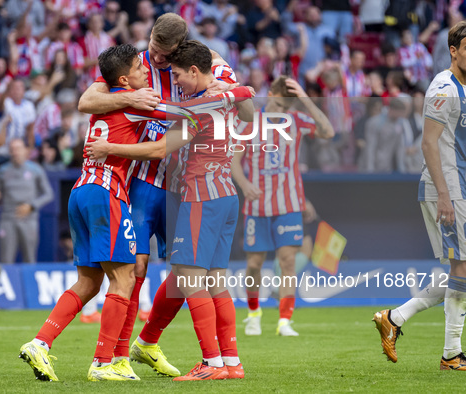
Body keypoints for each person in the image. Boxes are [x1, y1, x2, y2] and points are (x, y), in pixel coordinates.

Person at [18, 42, 248, 382]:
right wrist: (234, 91)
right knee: (128, 277)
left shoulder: (107, 97)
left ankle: (40, 343)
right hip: (109, 192)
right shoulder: (139, 102)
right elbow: (181, 119)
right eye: (141, 69)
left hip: (81, 190)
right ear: (126, 80)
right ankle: (105, 362)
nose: (148, 73)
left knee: (89, 282)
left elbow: (90, 100)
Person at [78, 13, 241, 377]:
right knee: (138, 266)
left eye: (165, 56)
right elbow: (87, 100)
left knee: (189, 272)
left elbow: (242, 98)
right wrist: (131, 97)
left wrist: (232, 91)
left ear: (181, 52)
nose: (157, 59)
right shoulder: (134, 67)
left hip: (185, 187)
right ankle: (118, 357)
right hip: (144, 185)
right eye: (153, 49)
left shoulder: (208, 64)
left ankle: (150, 342)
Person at [373, 20, 466, 371]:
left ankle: (395, 317)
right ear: (453, 51)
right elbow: (428, 142)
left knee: (462, 271)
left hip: (462, 186)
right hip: (448, 187)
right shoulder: (443, 88)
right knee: (462, 267)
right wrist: (443, 195)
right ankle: (452, 354)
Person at [231, 76, 334, 337]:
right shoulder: (251, 120)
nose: (283, 107)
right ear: (271, 94)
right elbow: (234, 161)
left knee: (288, 261)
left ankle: (284, 320)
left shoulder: (297, 120)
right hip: (257, 205)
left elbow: (328, 131)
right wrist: (244, 185)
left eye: (288, 103)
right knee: (254, 263)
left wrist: (305, 99)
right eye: (280, 100)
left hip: (289, 204)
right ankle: (253, 313)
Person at [0, 138, 53, 264]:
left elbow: (49, 194)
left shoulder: (35, 169)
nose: (15, 152)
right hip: (8, 218)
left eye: (18, 149)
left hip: (28, 219)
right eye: (12, 150)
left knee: (29, 259)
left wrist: (32, 206)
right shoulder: (2, 170)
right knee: (6, 260)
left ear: (26, 151)